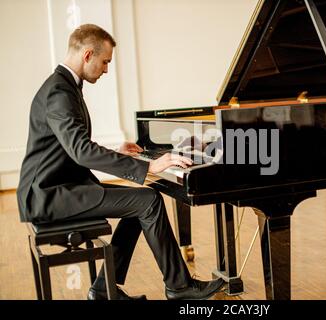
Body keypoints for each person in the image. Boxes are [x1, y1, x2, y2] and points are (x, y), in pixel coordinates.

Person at [16, 24, 224, 300]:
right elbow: (80, 150)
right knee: (147, 202)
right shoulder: (59, 92)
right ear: (88, 54)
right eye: (105, 62)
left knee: (143, 201)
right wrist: (149, 165)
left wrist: (116, 150)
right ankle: (179, 287)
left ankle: (104, 289)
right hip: (48, 196)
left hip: (55, 187)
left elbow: (70, 146)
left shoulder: (63, 86)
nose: (105, 70)